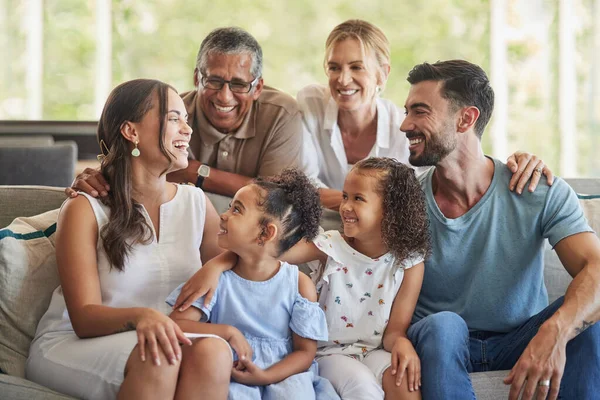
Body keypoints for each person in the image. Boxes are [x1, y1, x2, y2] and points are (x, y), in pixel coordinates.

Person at [400, 60, 600, 400]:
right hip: (442, 343)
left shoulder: (538, 190)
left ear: (466, 119)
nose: (405, 124)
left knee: (588, 320)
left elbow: (595, 269)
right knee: (443, 324)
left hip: (518, 338)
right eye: (407, 112)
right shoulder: (404, 203)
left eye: (420, 112)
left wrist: (556, 330)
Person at [25, 79, 233, 400]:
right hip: (75, 343)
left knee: (214, 353)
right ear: (131, 132)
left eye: (186, 120)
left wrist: (216, 266)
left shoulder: (196, 203)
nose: (187, 130)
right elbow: (83, 317)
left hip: (159, 339)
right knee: (160, 355)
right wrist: (142, 316)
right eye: (174, 118)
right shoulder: (84, 208)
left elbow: (241, 258)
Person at [174, 157, 431, 400]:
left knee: (405, 382)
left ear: (392, 210)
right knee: (362, 387)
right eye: (344, 196)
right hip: (331, 352)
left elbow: (394, 330)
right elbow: (267, 250)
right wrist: (215, 265)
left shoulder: (409, 263)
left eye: (358, 198)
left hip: (374, 350)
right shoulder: (329, 245)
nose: (345, 206)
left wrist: (402, 344)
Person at [298, 19, 553, 209]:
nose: (343, 79)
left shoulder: (408, 130)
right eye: (334, 67)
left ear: (382, 73)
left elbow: (456, 157)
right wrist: (362, 203)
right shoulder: (310, 103)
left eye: (356, 67)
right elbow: (300, 186)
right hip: (323, 229)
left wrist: (521, 160)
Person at [67, 27, 303, 199]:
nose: (224, 96)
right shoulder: (175, 113)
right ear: (196, 78)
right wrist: (95, 178)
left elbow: (277, 196)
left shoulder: (281, 113)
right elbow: (133, 166)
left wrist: (196, 172)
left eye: (238, 85)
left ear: (258, 88)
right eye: (214, 81)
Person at [166, 169, 340, 399]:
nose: (223, 215)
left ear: (265, 233)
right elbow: (177, 324)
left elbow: (305, 353)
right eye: (230, 206)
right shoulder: (215, 278)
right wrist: (225, 332)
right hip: (229, 371)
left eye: (237, 209)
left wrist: (266, 377)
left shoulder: (299, 286)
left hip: (282, 376)